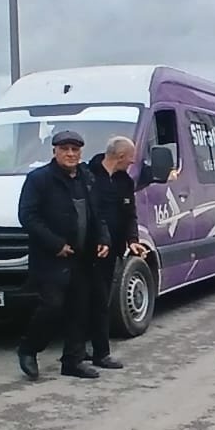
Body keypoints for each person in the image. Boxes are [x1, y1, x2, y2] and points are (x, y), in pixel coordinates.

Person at [16, 130, 110, 380]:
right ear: (54, 151)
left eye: (75, 149)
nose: (70, 154)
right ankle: (28, 349)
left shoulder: (86, 177)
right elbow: (28, 217)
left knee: (80, 310)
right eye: (65, 149)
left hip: (83, 257)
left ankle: (73, 361)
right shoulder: (39, 179)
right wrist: (56, 244)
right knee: (52, 307)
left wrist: (103, 239)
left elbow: (97, 213)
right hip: (51, 258)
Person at [82, 136, 152, 369]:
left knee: (102, 299)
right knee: (83, 298)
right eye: (130, 160)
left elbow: (130, 214)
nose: (131, 164)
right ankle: (84, 350)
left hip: (112, 250)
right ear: (120, 156)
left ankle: (99, 351)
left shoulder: (125, 181)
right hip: (87, 247)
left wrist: (133, 240)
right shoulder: (88, 175)